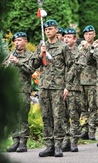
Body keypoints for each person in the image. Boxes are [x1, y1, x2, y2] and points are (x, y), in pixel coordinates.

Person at [31, 19, 72, 157]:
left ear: (56, 30)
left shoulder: (63, 47)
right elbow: (34, 64)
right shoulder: (42, 46)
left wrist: (67, 86)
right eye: (46, 30)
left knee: (58, 116)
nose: (48, 31)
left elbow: (70, 67)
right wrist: (40, 54)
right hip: (44, 86)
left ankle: (59, 145)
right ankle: (49, 145)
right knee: (46, 116)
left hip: (58, 87)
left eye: (50, 29)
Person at [5, 32, 35, 153]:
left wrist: (19, 63)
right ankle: (15, 141)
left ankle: (23, 143)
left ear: (25, 41)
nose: (17, 43)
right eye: (15, 41)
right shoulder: (10, 55)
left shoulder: (30, 55)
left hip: (23, 90)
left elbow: (31, 70)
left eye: (19, 40)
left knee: (22, 117)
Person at [61, 28, 86, 152]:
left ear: (75, 39)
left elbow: (76, 70)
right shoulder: (60, 52)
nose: (66, 39)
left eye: (69, 37)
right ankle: (66, 140)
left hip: (73, 90)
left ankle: (74, 141)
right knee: (63, 116)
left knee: (74, 115)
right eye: (65, 37)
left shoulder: (79, 54)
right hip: (60, 88)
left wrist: (68, 87)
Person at [79, 25, 98, 140]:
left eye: (90, 34)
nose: (88, 36)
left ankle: (92, 130)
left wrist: (89, 49)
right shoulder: (80, 48)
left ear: (94, 34)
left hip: (92, 81)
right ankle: (84, 129)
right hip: (81, 81)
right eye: (86, 34)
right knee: (82, 107)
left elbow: (92, 60)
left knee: (93, 107)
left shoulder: (97, 47)